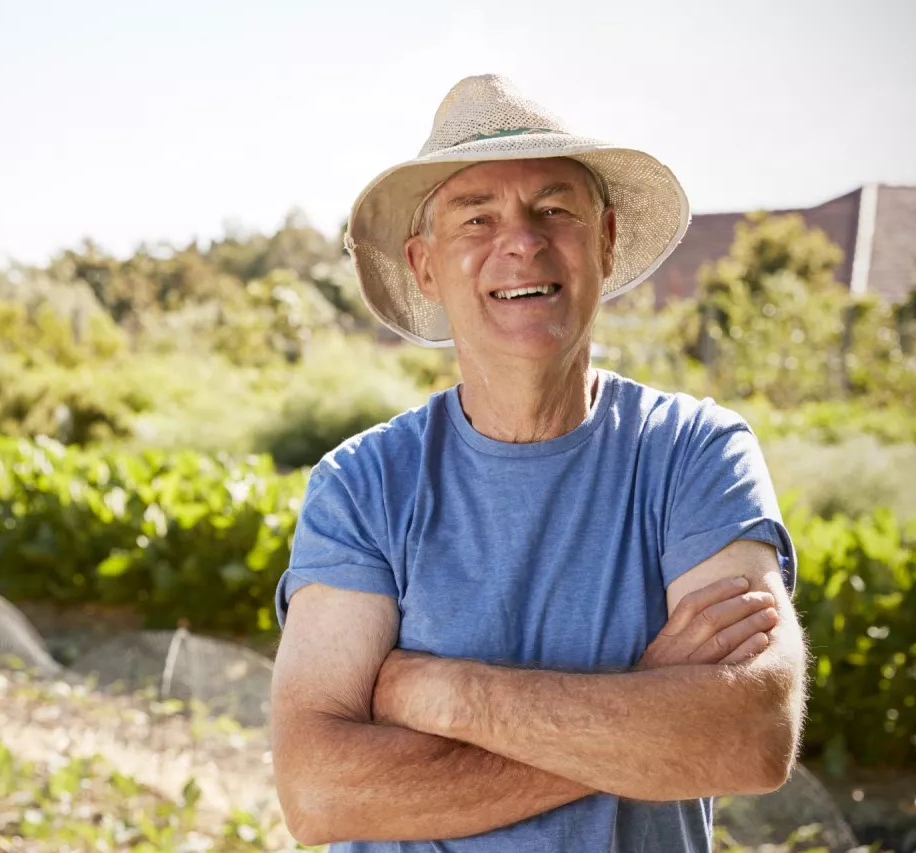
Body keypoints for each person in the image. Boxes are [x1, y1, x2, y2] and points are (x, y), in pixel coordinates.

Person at [269, 74, 806, 852]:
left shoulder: (695, 453)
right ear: (424, 266)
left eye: (554, 209)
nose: (521, 240)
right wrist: (643, 720)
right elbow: (319, 791)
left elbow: (750, 732)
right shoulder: (363, 485)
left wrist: (443, 693)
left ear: (607, 239)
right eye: (476, 218)